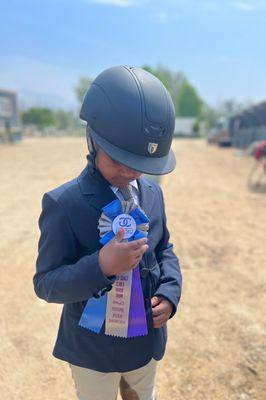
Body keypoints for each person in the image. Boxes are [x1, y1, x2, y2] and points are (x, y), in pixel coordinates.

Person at [33, 65, 182, 400]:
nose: (129, 171)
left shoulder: (153, 194)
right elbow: (46, 283)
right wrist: (100, 266)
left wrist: (171, 293)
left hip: (145, 344)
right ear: (93, 139)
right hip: (93, 353)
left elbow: (165, 248)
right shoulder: (63, 203)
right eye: (118, 159)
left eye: (139, 163)